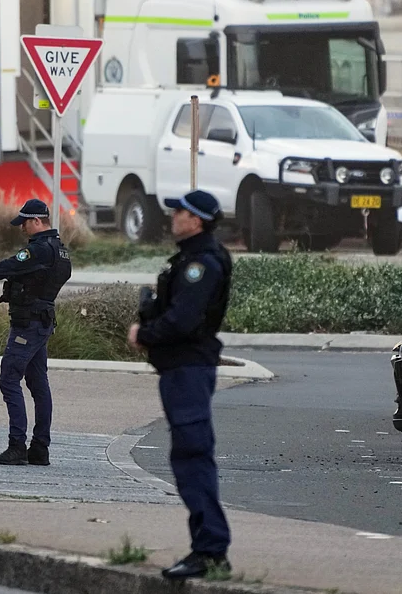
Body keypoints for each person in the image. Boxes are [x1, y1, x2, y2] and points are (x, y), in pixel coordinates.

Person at [127, 189, 233, 580]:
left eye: (181, 211)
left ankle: (210, 550)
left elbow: (184, 320)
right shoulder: (190, 259)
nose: (173, 216)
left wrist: (145, 333)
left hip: (188, 369)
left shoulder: (201, 263)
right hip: (181, 370)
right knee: (189, 456)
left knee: (193, 456)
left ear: (198, 220)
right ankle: (207, 547)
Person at [0, 199, 72, 466]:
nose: (22, 228)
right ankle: (40, 448)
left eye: (24, 222)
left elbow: (15, 264)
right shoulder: (60, 250)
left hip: (28, 324)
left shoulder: (40, 249)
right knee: (38, 385)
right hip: (41, 322)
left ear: (36, 221)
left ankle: (17, 445)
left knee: (9, 379)